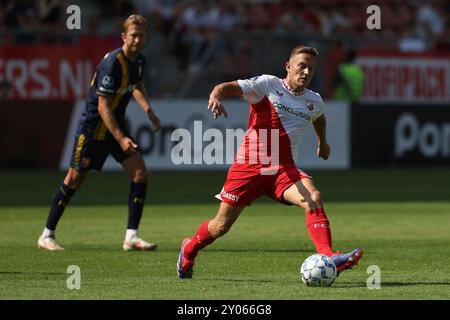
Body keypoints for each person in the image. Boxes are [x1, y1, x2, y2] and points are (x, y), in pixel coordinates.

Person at [177, 45, 363, 279]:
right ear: (288, 66)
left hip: (282, 170)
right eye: (301, 66)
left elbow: (319, 118)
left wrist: (322, 142)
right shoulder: (267, 85)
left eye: (311, 69)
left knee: (313, 197)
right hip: (250, 167)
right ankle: (189, 249)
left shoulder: (314, 100)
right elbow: (228, 87)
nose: (306, 72)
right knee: (220, 227)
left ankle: (328, 256)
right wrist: (216, 95)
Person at [37, 14, 161, 251]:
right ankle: (47, 234)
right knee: (74, 179)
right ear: (124, 36)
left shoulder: (139, 61)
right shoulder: (112, 63)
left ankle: (131, 236)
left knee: (140, 173)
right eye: (133, 35)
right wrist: (122, 138)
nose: (137, 40)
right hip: (94, 128)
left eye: (141, 35)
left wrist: (149, 110)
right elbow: (103, 106)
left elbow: (136, 85)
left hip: (116, 126)